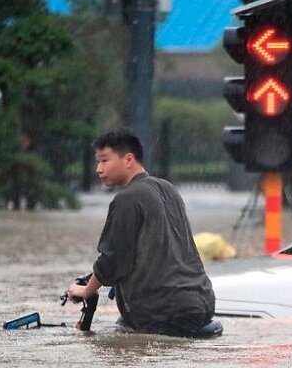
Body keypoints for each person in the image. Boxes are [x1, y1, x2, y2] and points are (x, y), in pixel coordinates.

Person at [68, 128, 216, 337]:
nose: (98, 169)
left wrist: (85, 290)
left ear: (128, 159)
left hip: (161, 313)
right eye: (97, 162)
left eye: (104, 160)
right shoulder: (169, 189)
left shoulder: (127, 199)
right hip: (202, 304)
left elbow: (113, 261)